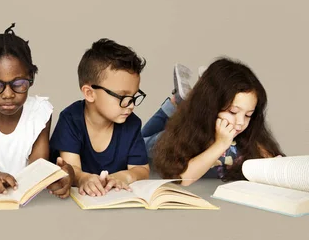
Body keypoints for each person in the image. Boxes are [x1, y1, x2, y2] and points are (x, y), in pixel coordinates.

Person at [0, 23, 74, 198]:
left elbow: (38, 165)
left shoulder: (40, 112)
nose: (8, 94)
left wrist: (61, 176)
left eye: (19, 84)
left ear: (31, 77)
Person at [143, 57, 285, 186]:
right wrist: (221, 144)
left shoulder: (248, 138)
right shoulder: (180, 137)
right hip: (155, 146)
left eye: (248, 115)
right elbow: (183, 179)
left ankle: (192, 97)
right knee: (139, 142)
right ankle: (177, 102)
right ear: (210, 107)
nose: (241, 122)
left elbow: (273, 162)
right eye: (233, 112)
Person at [50, 39, 150, 197]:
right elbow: (71, 168)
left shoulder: (132, 123)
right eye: (123, 96)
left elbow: (142, 169)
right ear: (90, 93)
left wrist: (123, 177)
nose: (131, 104)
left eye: (134, 96)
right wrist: (84, 179)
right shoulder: (71, 119)